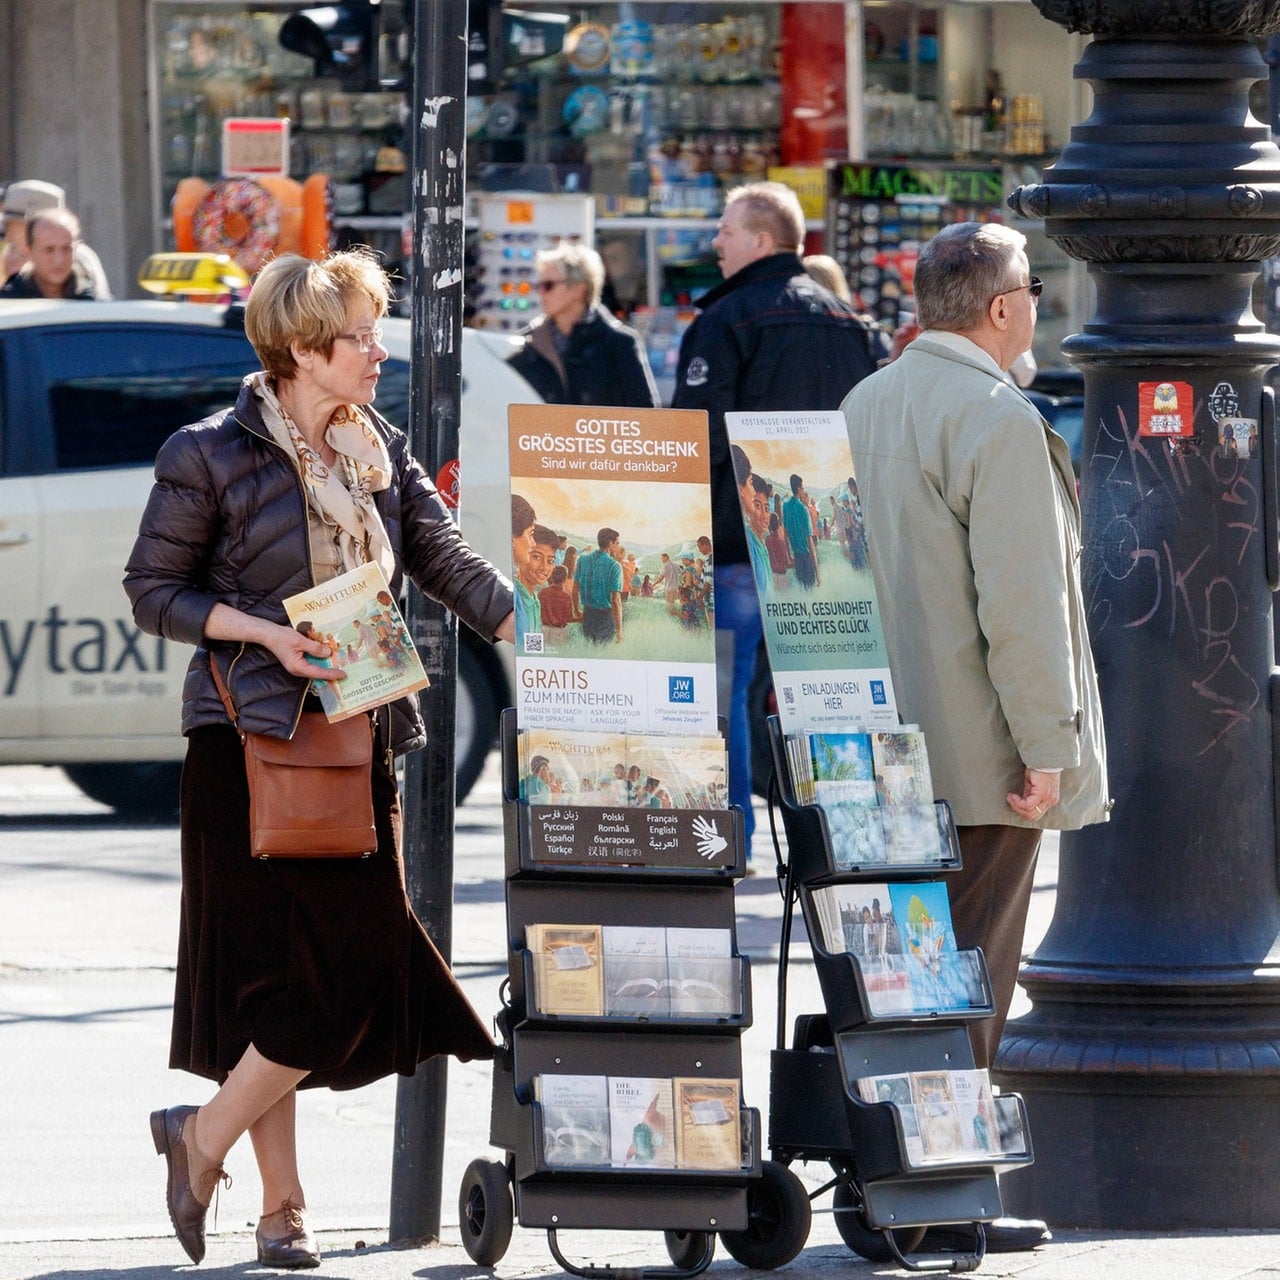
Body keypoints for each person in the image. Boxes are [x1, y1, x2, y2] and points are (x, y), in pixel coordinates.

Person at [123, 248, 516, 1271]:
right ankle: (276, 1201)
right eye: (358, 336)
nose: (376, 351)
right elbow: (151, 590)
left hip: (356, 735)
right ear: (302, 350)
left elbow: (442, 557)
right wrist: (263, 632)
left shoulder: (375, 447)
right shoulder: (207, 451)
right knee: (279, 983)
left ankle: (205, 1145)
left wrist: (533, 625)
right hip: (246, 742)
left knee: (343, 970)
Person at [842, 222, 1107, 1253]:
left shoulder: (867, 402)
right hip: (976, 758)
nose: (1035, 306)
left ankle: (892, 1177)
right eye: (1031, 291)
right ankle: (943, 1190)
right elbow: (1023, 605)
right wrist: (1045, 747)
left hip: (871, 753)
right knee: (968, 980)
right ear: (999, 309)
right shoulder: (996, 418)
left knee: (891, 980)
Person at [672, 181, 879, 860]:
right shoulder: (854, 324)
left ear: (761, 240)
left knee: (726, 699)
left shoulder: (725, 321)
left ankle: (729, 841)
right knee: (825, 697)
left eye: (727, 231)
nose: (716, 242)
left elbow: (693, 441)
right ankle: (841, 838)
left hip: (736, 546)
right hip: (828, 550)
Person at [508, 242, 659, 408]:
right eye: (539, 286)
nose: (541, 293)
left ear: (579, 289)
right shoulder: (524, 345)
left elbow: (646, 417)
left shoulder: (620, 344)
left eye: (548, 286)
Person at [1, 178, 111, 297]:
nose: (8, 237)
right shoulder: (9, 256)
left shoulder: (80, 259)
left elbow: (96, 306)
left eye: (11, 226)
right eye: (49, 250)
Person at [0, 208, 97, 299]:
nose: (59, 259)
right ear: (29, 251)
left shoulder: (94, 304)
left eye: (66, 249)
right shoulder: (9, 304)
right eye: (49, 250)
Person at [573, 526, 625, 644]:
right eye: (617, 543)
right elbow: (616, 601)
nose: (618, 547)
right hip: (604, 619)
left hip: (587, 616)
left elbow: (575, 589)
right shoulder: (614, 566)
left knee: (588, 650)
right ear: (610, 544)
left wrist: (576, 610)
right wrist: (620, 630)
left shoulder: (582, 559)